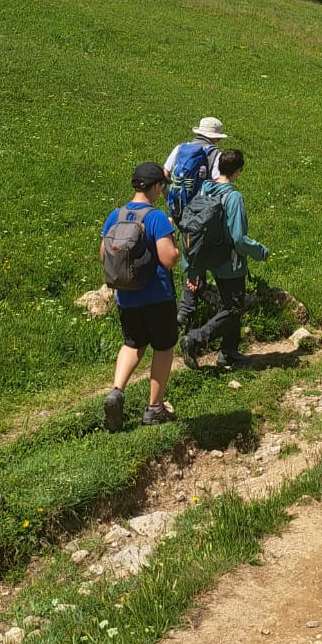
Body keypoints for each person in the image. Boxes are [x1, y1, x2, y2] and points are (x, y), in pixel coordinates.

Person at [101, 162, 181, 430]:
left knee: (133, 343)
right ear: (157, 186)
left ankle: (116, 390)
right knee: (163, 346)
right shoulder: (155, 217)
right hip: (157, 296)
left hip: (126, 297)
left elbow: (104, 254)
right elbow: (168, 259)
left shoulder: (116, 215)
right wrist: (176, 244)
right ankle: (155, 408)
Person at [179, 150, 270, 371]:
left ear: (219, 166)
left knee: (230, 304)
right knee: (234, 309)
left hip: (211, 258)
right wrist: (260, 251)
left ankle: (228, 353)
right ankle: (195, 339)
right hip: (230, 262)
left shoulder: (205, 189)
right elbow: (239, 238)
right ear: (239, 170)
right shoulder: (233, 197)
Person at [166, 117, 229, 334]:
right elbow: (216, 184)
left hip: (181, 213)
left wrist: (172, 204)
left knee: (192, 256)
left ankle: (188, 311)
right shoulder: (215, 154)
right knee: (201, 258)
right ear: (215, 137)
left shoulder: (181, 148)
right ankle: (191, 312)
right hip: (202, 217)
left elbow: (165, 175)